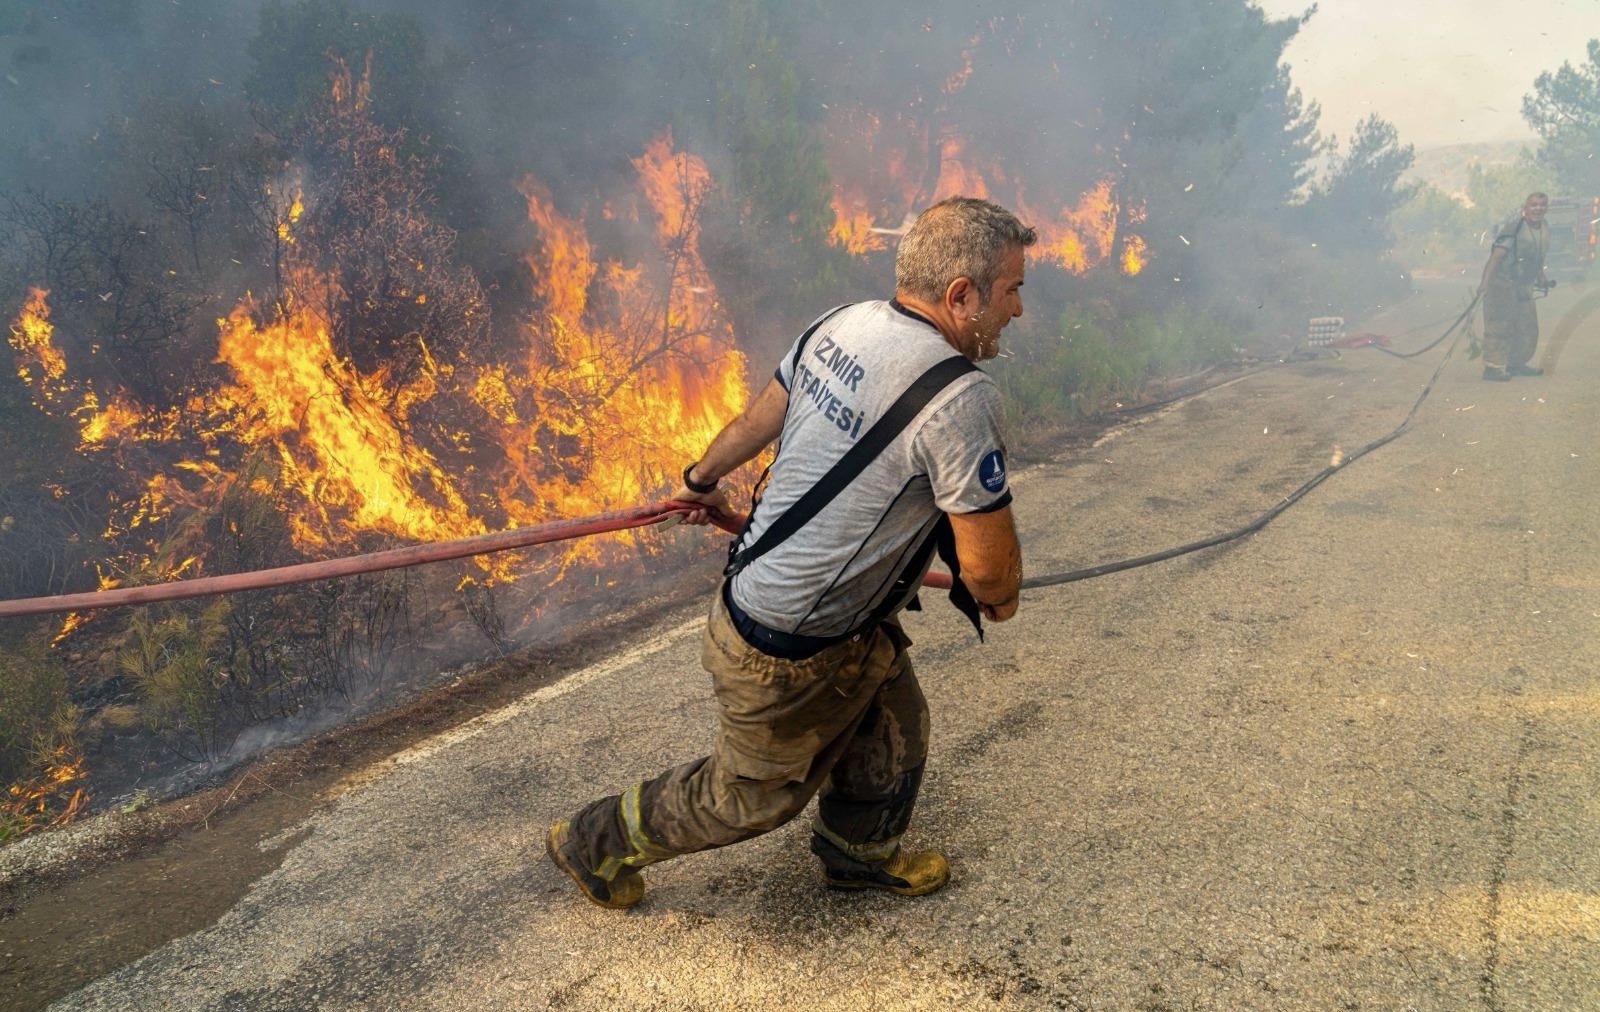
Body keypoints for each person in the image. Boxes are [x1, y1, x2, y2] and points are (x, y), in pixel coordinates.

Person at [546, 196, 1033, 909]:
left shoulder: (840, 323)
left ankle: (858, 855)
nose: (1017, 310)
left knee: (892, 717)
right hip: (789, 648)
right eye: (1014, 290)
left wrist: (699, 482)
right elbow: (989, 572)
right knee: (749, 798)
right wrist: (1000, 596)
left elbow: (755, 421)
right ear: (963, 295)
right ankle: (594, 840)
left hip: (791, 606)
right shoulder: (962, 399)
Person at [1477, 192, 1551, 382]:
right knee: (1500, 326)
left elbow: (1538, 257)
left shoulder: (1544, 228)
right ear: (1525, 208)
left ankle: (1515, 364)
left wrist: (1541, 278)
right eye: (1533, 205)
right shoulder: (1514, 228)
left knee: (1526, 326)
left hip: (1523, 286)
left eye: (1542, 205)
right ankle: (1493, 368)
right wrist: (1484, 284)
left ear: (1546, 208)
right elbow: (1496, 257)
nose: (1538, 208)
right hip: (1502, 284)